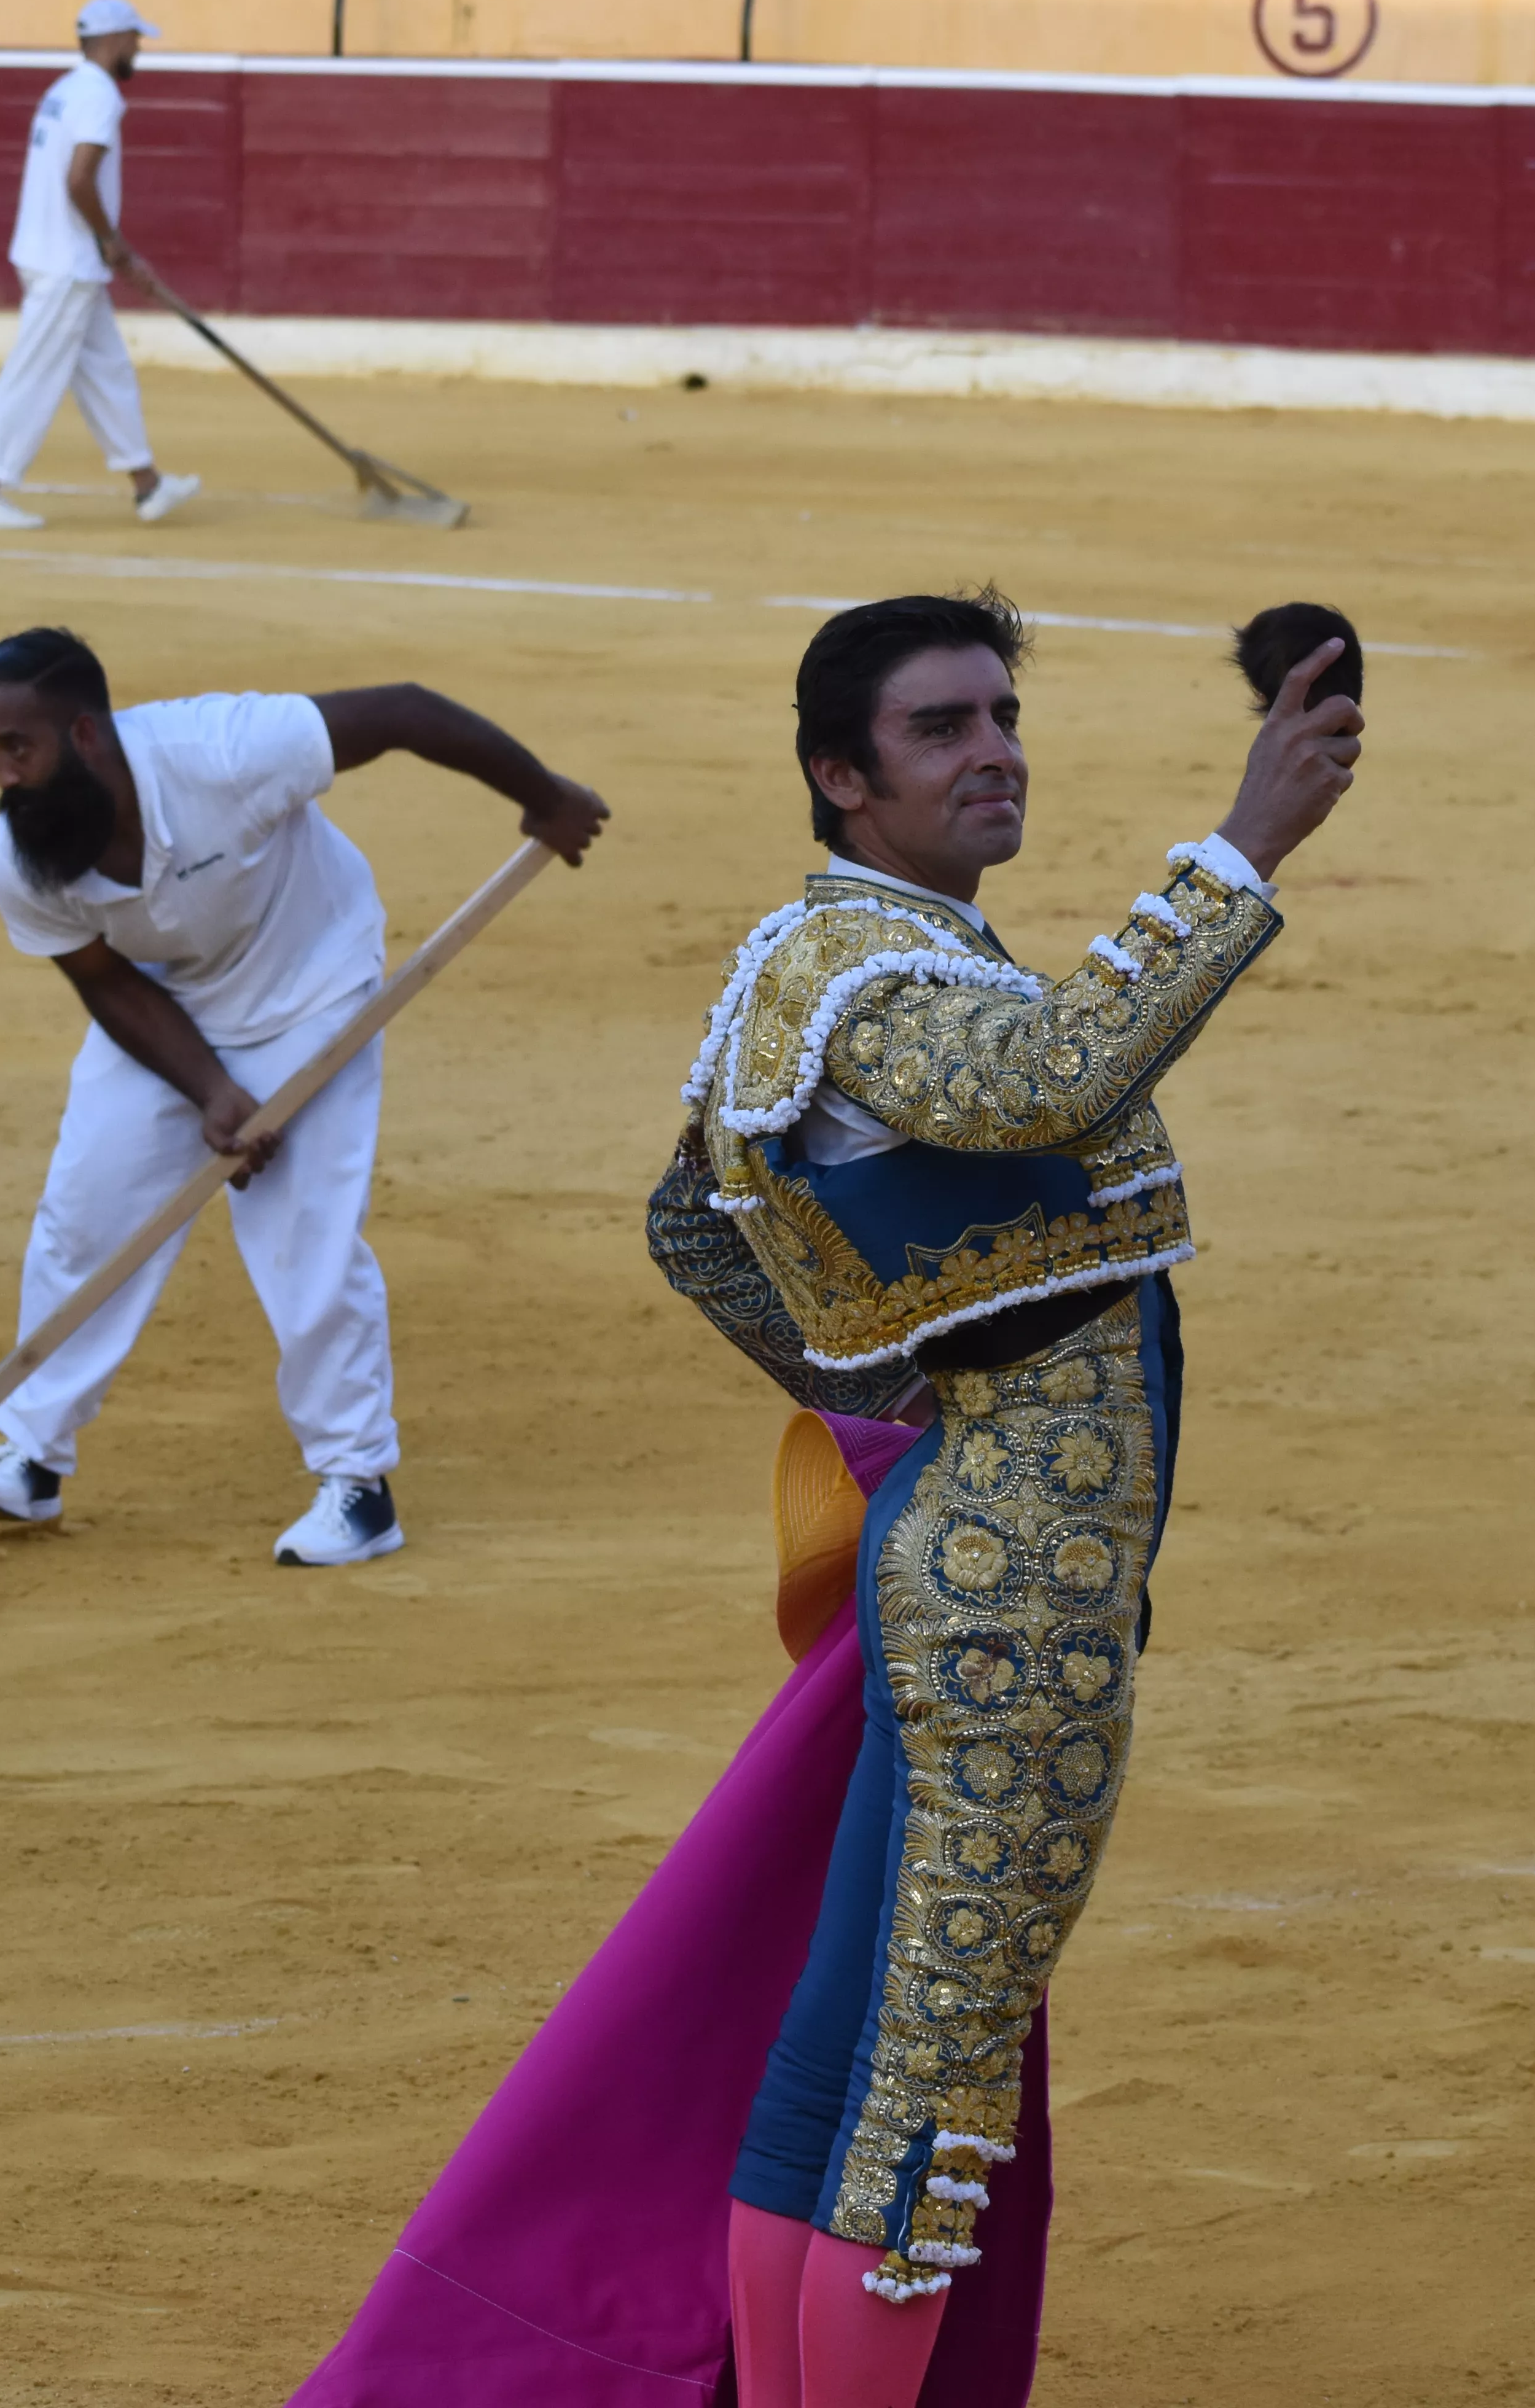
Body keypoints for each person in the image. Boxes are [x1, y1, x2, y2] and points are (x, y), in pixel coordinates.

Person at [284, 588, 1362, 2407]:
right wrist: (1242, 846)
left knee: (836, 2082)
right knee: (918, 2108)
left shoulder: (817, 955)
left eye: (1000, 713)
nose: (993, 747)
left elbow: (694, 1224)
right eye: (939, 726)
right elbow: (1045, 1080)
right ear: (838, 776)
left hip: (951, 1538)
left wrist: (892, 1383)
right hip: (1018, 1588)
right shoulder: (876, 980)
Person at [0, 625, 608, 1562]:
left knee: (304, 1233)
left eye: (18, 746)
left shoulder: (223, 751)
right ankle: (32, 1458)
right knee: (85, 1212)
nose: (4, 774)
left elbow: (407, 713)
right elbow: (104, 981)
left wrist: (544, 798)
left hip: (311, 986)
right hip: (170, 1003)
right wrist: (212, 1090)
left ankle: (357, 1486)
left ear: (87, 734)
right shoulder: (21, 854)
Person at [0, 0, 200, 534]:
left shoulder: (64, 90)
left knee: (107, 372)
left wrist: (106, 247)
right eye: (135, 39)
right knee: (33, 375)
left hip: (57, 256)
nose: (138, 48)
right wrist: (112, 242)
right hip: (66, 261)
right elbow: (78, 180)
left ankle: (148, 485)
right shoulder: (99, 96)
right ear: (113, 41)